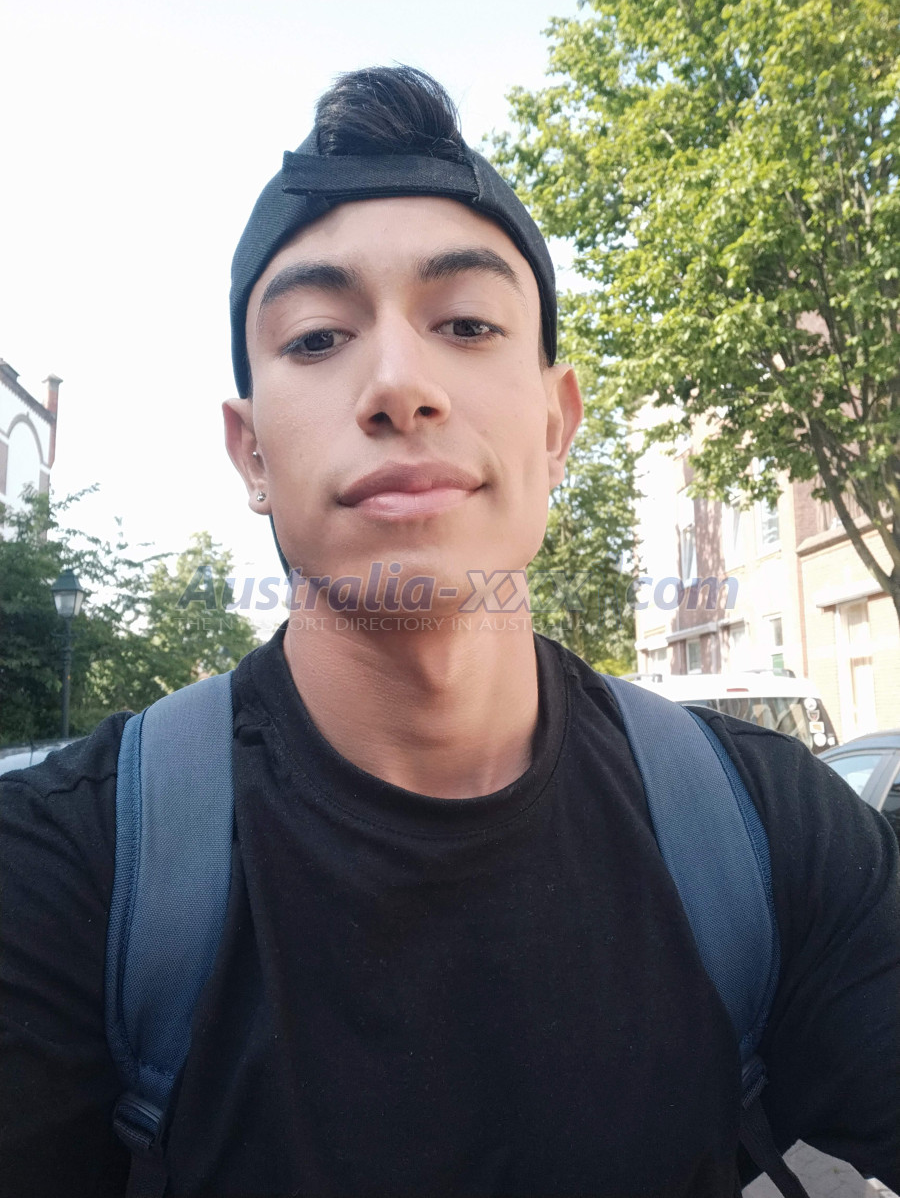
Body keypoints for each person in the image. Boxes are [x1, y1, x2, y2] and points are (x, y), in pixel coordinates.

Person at [1, 65, 898, 1198]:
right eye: (318, 338)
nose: (397, 384)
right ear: (250, 452)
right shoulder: (63, 879)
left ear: (557, 426)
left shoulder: (768, 837)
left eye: (467, 323)